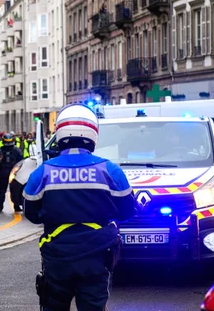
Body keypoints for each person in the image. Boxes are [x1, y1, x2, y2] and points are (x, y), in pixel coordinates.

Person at [22, 104, 137, 311]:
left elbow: (31, 213)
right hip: (97, 255)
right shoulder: (110, 170)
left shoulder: (43, 171)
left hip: (57, 256)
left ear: (59, 134)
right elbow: (127, 211)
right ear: (93, 134)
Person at [0, 133, 23, 213]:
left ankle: (0, 207)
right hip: (13, 172)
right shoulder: (17, 150)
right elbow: (21, 161)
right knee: (14, 190)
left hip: (3, 172)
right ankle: (16, 206)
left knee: (2, 190)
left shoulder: (0, 149)